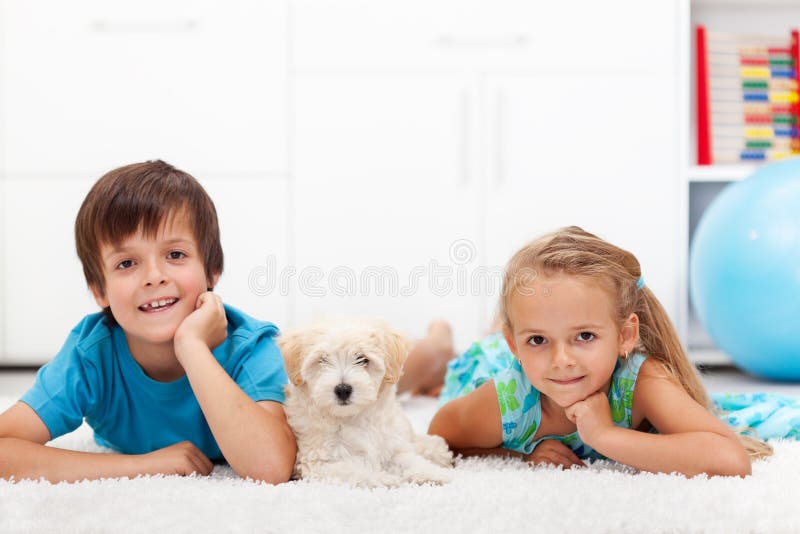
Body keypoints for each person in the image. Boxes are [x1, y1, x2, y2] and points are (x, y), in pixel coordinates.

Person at [0, 160, 296, 483]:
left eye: (175, 255)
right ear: (100, 290)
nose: (154, 277)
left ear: (211, 271)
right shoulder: (92, 355)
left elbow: (272, 467)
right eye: (127, 263)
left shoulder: (252, 347)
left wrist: (192, 347)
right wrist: (145, 466)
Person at [428, 226, 772, 477]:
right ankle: (441, 337)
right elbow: (438, 439)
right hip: (484, 364)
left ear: (625, 336)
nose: (562, 361)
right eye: (537, 340)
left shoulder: (640, 379)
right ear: (515, 344)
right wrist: (517, 456)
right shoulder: (505, 400)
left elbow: (731, 459)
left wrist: (607, 436)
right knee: (441, 355)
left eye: (585, 336)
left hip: (516, 349)